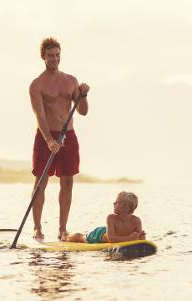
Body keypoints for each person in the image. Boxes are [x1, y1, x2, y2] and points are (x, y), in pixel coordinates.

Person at [29, 37, 90, 240]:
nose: (54, 59)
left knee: (68, 182)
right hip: (46, 136)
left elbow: (82, 112)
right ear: (43, 58)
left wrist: (83, 95)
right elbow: (40, 115)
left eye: (57, 55)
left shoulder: (71, 81)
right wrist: (49, 140)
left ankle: (62, 229)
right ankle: (37, 228)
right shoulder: (37, 85)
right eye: (50, 56)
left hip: (68, 136)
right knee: (41, 181)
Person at [64, 191, 146, 243]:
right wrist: (129, 238)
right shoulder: (111, 218)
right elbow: (111, 239)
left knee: (81, 236)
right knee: (80, 237)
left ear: (126, 207)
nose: (114, 203)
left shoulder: (136, 221)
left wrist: (140, 236)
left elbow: (142, 239)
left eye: (117, 202)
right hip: (98, 235)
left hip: (110, 231)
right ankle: (66, 236)